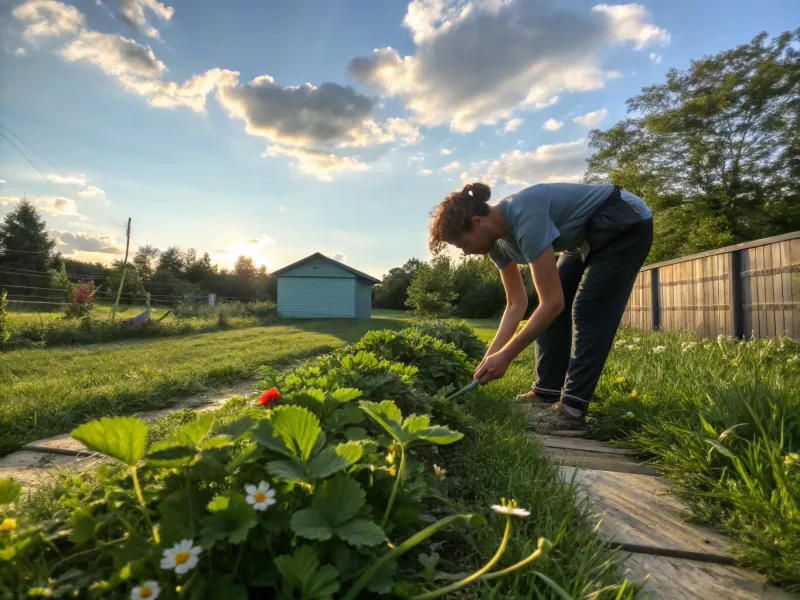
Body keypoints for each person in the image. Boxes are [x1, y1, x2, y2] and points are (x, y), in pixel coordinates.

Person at [428, 181, 653, 437]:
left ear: (477, 222)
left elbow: (553, 303)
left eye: (463, 244)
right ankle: (545, 393)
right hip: (582, 238)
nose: (466, 253)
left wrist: (508, 356)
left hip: (623, 219)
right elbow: (516, 304)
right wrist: (489, 359)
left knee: (587, 309)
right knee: (548, 308)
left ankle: (572, 412)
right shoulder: (497, 245)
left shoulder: (525, 217)